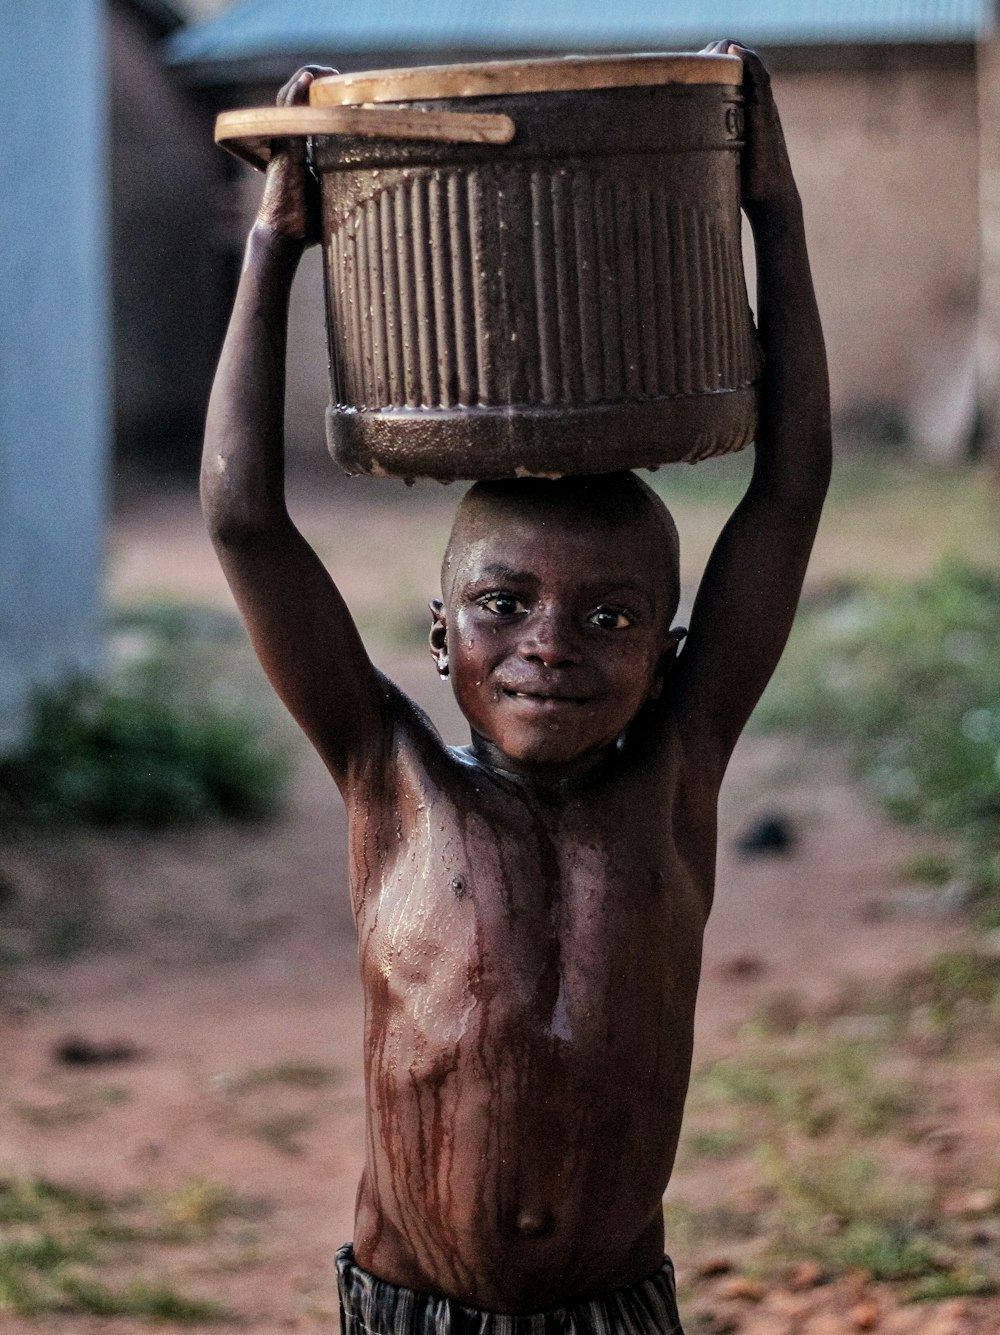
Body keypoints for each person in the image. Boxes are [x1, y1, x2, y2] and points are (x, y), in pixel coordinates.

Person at [201, 41, 830, 1335]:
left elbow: (789, 489)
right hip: (409, 1307)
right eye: (504, 607)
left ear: (668, 650)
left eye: (611, 617)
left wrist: (774, 207)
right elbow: (247, 524)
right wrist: (277, 241)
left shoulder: (675, 778)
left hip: (613, 1310)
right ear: (440, 638)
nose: (553, 644)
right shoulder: (390, 782)